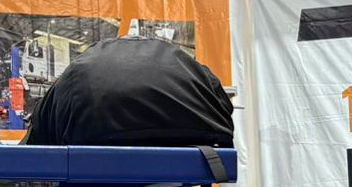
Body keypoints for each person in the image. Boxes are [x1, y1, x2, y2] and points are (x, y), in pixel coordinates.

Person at [24, 32, 234, 149]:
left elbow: (39, 130)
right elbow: (223, 115)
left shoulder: (80, 70)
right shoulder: (184, 65)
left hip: (86, 130)